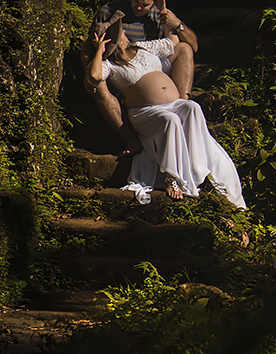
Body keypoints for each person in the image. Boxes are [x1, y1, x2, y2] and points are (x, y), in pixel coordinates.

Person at [84, 12, 246, 208]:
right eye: (121, 33)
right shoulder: (110, 65)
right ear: (116, 41)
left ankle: (195, 168)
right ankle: (171, 176)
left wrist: (167, 15)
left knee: (192, 107)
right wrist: (100, 51)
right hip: (146, 112)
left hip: (173, 104)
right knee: (170, 120)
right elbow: (94, 76)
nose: (125, 32)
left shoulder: (142, 47)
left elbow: (172, 43)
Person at [85, 0, 199, 153]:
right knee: (97, 84)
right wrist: (89, 71)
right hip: (120, 67)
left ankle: (181, 107)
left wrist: (177, 24)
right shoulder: (110, 11)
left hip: (150, 60)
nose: (138, 6)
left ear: (154, 1)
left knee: (184, 49)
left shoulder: (158, 15)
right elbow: (90, 46)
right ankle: (131, 140)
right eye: (136, 0)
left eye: (144, 4)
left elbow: (192, 46)